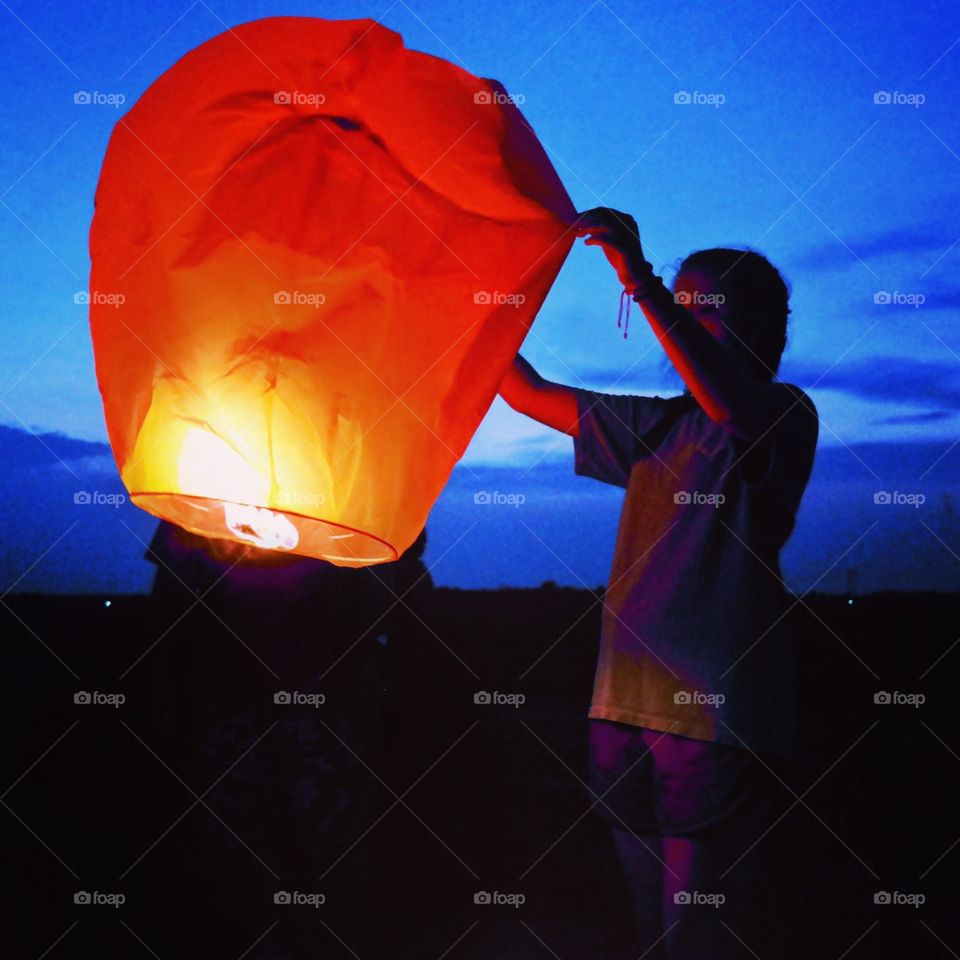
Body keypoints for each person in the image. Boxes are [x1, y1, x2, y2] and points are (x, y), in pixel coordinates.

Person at [498, 207, 819, 959]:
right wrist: (479, 290)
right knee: (648, 935)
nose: (675, 316)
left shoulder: (783, 415)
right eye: (679, 301)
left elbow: (734, 403)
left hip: (716, 715)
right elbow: (519, 390)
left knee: (698, 936)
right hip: (621, 704)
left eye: (698, 304)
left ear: (761, 327)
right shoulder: (658, 425)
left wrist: (638, 279)